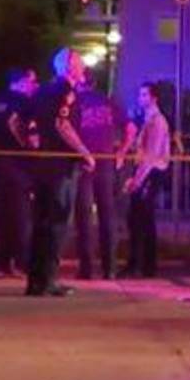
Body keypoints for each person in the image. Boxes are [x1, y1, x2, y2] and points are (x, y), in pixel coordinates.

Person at [25, 47, 95, 297]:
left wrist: (35, 148)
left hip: (42, 166)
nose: (83, 67)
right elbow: (62, 124)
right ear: (68, 67)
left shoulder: (41, 91)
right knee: (57, 223)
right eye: (79, 63)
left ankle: (35, 281)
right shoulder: (66, 91)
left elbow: (26, 124)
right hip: (61, 168)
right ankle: (50, 279)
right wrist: (85, 152)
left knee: (40, 224)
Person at [72, 78, 130, 280]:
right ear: (95, 83)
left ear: (79, 83)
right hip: (106, 162)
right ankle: (109, 268)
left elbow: (69, 131)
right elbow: (130, 128)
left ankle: (86, 269)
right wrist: (121, 152)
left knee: (84, 217)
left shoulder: (75, 101)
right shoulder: (108, 101)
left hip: (85, 163)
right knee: (107, 215)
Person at [0, 67, 38, 278]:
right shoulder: (23, 102)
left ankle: (0, 264)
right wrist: (27, 144)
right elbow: (15, 123)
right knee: (20, 216)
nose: (35, 85)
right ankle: (21, 263)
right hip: (16, 165)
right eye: (32, 81)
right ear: (21, 81)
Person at [123, 81, 171, 278]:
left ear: (153, 98)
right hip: (146, 171)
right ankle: (141, 264)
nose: (140, 98)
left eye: (144, 95)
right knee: (139, 218)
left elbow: (151, 156)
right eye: (140, 94)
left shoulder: (157, 121)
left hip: (151, 172)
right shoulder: (147, 119)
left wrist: (137, 180)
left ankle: (142, 264)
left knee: (141, 218)